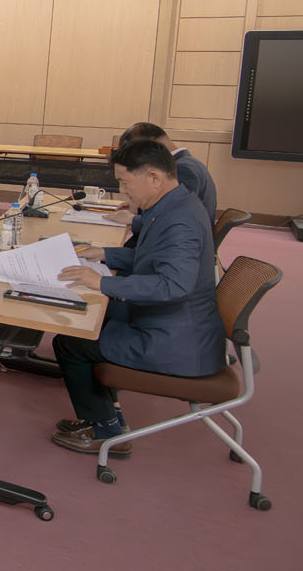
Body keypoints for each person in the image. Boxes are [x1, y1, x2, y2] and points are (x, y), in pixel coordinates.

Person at [49, 139, 224, 457]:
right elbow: (152, 259)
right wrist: (105, 254)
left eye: (125, 182)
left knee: (72, 342)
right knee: (90, 320)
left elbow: (173, 285)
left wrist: (101, 282)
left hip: (175, 341)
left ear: (154, 177)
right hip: (175, 323)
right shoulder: (176, 205)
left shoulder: (179, 221)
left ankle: (106, 430)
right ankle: (106, 416)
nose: (123, 191)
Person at [114, 122, 217, 222]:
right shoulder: (186, 163)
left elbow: (174, 216)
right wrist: (139, 206)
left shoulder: (183, 169)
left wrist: (133, 219)